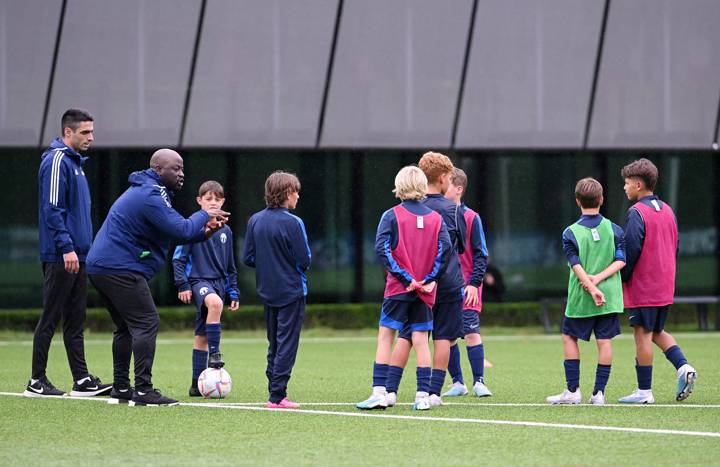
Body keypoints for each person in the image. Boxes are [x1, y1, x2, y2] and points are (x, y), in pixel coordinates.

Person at [87, 149, 228, 406]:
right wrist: (204, 215)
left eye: (183, 168)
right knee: (146, 321)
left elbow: (179, 234)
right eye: (176, 168)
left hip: (102, 266)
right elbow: (181, 228)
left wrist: (204, 233)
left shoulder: (149, 191)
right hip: (119, 267)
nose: (182, 174)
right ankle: (143, 390)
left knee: (126, 327)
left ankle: (121, 388)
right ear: (159, 169)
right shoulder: (151, 194)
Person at [25, 109, 111, 398]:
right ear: (68, 133)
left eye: (91, 131)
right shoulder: (57, 160)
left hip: (79, 255)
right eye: (85, 132)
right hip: (62, 255)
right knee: (51, 316)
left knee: (76, 319)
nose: (91, 137)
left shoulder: (76, 163)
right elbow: (52, 209)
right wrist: (66, 248)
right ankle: (36, 381)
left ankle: (82, 380)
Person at [356, 166, 451, 411]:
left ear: (399, 186)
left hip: (399, 288)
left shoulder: (391, 215)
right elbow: (445, 251)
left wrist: (405, 277)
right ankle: (422, 396)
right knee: (420, 339)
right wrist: (429, 279)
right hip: (425, 290)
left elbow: (382, 248)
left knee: (386, 336)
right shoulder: (436, 219)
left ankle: (379, 392)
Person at [383, 152, 465, 408]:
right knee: (443, 338)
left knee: (407, 336)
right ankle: (432, 393)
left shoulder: (407, 208)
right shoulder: (452, 210)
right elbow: (459, 247)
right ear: (442, 178)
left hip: (415, 283)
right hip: (448, 282)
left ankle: (390, 390)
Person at [617, 158, 697, 404]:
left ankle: (644, 392)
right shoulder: (668, 210)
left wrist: (622, 279)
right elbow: (676, 247)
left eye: (627, 183)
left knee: (642, 334)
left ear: (639, 184)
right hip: (664, 285)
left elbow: (630, 251)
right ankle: (683, 367)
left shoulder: (636, 212)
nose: (624, 187)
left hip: (643, 287)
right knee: (656, 332)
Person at [546, 177, 625, 405]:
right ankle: (599, 394)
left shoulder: (570, 232)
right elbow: (621, 261)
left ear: (577, 201)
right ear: (601, 199)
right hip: (608, 296)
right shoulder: (615, 229)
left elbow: (576, 265)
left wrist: (591, 287)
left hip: (582, 297)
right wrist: (599, 282)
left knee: (569, 336)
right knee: (605, 341)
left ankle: (572, 391)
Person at [243, 171, 311, 409]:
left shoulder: (255, 220)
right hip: (291, 290)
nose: (298, 196)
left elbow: (248, 257)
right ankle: (277, 396)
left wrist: (268, 264)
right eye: (296, 192)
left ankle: (274, 390)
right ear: (286, 194)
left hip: (267, 290)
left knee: (274, 342)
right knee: (287, 343)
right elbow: (305, 259)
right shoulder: (294, 222)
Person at [173, 181, 240, 397]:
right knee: (215, 303)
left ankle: (196, 384)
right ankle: (215, 354)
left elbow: (230, 266)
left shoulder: (226, 231)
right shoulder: (192, 226)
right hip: (199, 281)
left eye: (217, 199)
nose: (213, 202)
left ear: (223, 202)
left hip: (219, 283)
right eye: (208, 199)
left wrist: (234, 290)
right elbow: (178, 259)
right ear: (199, 201)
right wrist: (182, 284)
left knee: (201, 335)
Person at [441, 168, 492, 398]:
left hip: (468, 286)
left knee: (471, 332)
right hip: (446, 286)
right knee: (448, 335)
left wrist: (473, 283)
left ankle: (479, 381)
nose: (443, 189)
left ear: (458, 189)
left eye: (447, 184)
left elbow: (481, 254)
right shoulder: (437, 215)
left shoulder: (472, 217)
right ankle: (457, 382)